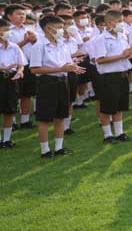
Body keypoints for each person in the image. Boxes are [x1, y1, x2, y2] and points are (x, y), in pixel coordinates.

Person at [29, 15, 85, 157]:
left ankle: (59, 148)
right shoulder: (39, 46)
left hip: (62, 82)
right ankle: (45, 150)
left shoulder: (62, 44)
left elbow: (66, 64)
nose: (62, 30)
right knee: (45, 118)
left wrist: (73, 66)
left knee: (61, 116)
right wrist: (61, 69)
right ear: (48, 28)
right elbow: (35, 69)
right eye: (59, 27)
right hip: (47, 83)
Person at [91, 10, 132, 143]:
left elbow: (124, 52)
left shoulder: (121, 36)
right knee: (107, 107)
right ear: (110, 23)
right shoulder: (101, 39)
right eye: (119, 21)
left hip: (122, 74)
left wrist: (128, 54)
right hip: (109, 76)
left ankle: (119, 133)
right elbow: (100, 59)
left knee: (119, 106)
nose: (121, 24)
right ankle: (107, 135)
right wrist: (121, 56)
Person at [0, 19, 25, 148]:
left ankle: (7, 139)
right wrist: (2, 69)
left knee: (10, 110)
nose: (7, 33)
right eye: (4, 30)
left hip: (11, 79)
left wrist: (20, 71)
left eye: (8, 30)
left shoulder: (14, 46)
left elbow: (21, 63)